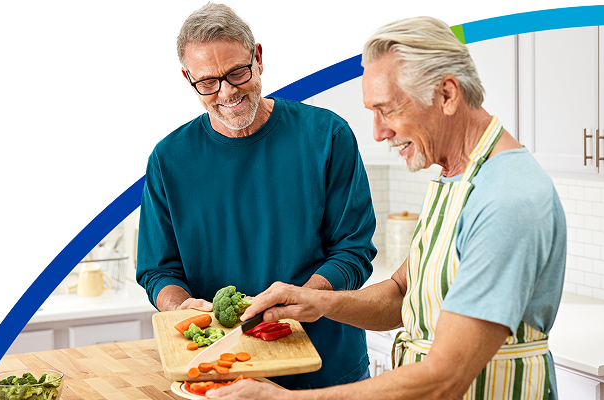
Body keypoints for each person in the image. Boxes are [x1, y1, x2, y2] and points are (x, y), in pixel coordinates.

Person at [208, 15, 567, 400]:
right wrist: (316, 302)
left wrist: (285, 399)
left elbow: (444, 378)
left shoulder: (506, 198)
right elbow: (401, 293)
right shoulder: (457, 178)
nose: (379, 132)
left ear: (447, 94)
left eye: (388, 110)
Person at [135, 0, 377, 390]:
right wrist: (181, 307)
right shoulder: (168, 158)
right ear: (188, 79)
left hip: (328, 372)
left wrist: (305, 299)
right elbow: (157, 269)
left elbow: (353, 250)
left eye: (237, 73)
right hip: (221, 372)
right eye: (208, 82)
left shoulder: (326, 136)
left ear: (259, 57)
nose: (227, 92)